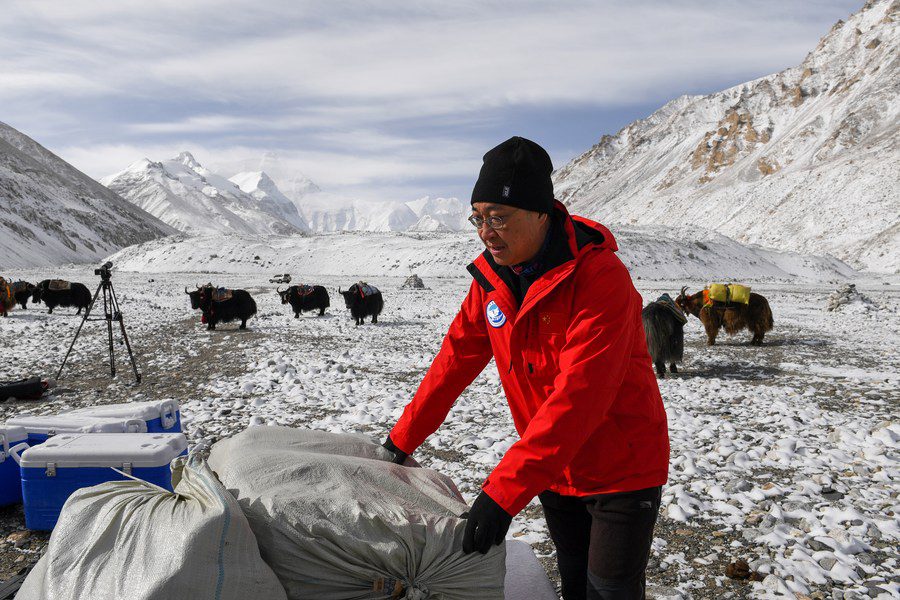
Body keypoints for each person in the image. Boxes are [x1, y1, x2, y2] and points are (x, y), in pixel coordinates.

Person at [383, 136, 669, 600]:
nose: (485, 231)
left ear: (541, 212)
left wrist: (502, 493)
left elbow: (581, 395)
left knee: (610, 589)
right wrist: (401, 440)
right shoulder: (493, 281)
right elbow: (454, 361)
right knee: (575, 580)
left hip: (621, 466)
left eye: (498, 217)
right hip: (553, 469)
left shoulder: (600, 279)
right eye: (478, 218)